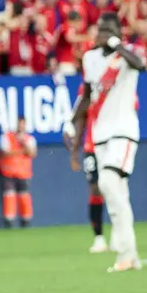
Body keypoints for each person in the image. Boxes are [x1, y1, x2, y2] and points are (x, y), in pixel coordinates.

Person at [68, 12, 145, 272]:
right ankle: (129, 255)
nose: (100, 34)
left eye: (107, 30)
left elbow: (140, 65)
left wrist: (117, 46)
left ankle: (125, 252)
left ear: (117, 34)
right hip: (99, 135)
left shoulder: (127, 53)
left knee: (107, 183)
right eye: (99, 30)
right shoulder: (90, 59)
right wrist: (73, 124)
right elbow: (88, 95)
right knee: (116, 194)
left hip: (123, 131)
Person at [64, 84, 107, 253]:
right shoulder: (87, 87)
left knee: (112, 187)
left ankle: (120, 235)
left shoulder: (119, 82)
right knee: (95, 188)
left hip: (113, 142)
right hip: (92, 145)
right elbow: (81, 116)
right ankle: (99, 237)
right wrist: (75, 152)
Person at [0, 117, 37, 228]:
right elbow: (5, 152)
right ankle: (9, 222)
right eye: (19, 124)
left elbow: (32, 153)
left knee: (24, 197)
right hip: (8, 172)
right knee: (9, 196)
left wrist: (23, 145)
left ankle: (26, 221)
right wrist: (22, 151)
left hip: (23, 173)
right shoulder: (6, 137)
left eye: (23, 124)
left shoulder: (29, 139)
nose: (21, 126)